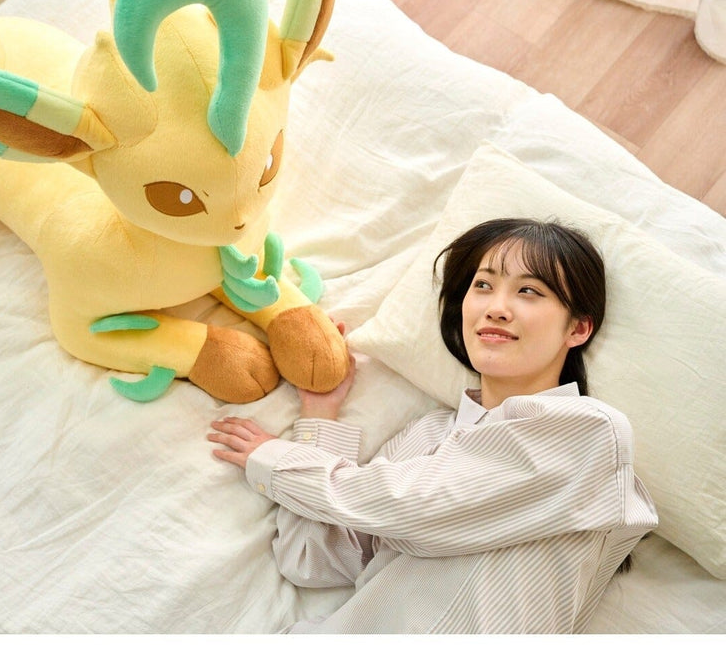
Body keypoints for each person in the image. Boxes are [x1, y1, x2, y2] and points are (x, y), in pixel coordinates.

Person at [208, 218, 658, 634]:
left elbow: (418, 509)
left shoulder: (590, 432)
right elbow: (311, 560)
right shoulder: (426, 435)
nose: (496, 308)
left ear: (578, 329)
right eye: (483, 285)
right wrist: (320, 416)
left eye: (528, 291)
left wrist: (277, 460)